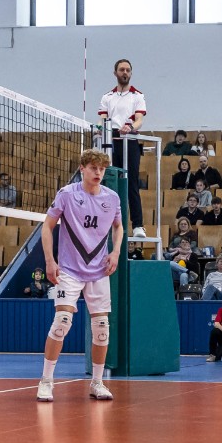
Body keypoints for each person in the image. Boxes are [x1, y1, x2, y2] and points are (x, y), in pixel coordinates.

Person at [38, 149, 125, 402]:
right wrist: (50, 260)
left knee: (102, 329)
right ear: (82, 169)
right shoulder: (67, 193)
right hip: (69, 269)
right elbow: (47, 226)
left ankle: (97, 382)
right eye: (93, 168)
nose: (98, 172)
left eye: (102, 169)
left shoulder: (112, 197)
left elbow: (118, 227)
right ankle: (46, 381)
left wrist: (116, 252)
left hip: (99, 270)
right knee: (62, 321)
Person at [97, 58, 146, 227]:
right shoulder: (107, 97)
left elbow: (139, 120)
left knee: (131, 183)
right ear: (115, 73)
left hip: (129, 142)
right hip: (111, 144)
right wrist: (100, 128)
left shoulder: (137, 96)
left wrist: (130, 127)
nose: (125, 72)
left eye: (127, 70)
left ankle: (138, 225)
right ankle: (110, 222)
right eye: (121, 70)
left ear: (131, 73)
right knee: (110, 183)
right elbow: (102, 119)